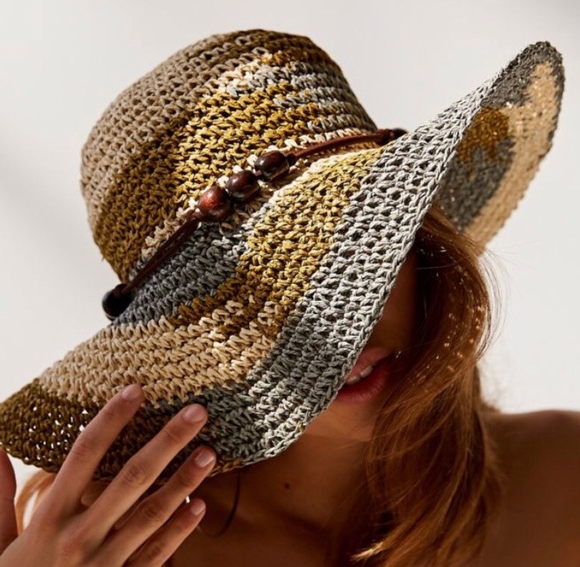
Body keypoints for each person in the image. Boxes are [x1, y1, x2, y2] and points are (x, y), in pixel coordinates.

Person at [0, 29, 577, 567]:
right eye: (251, 296)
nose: (333, 320)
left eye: (355, 250)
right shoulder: (113, 548)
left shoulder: (563, 473)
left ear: (417, 240)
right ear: (188, 343)